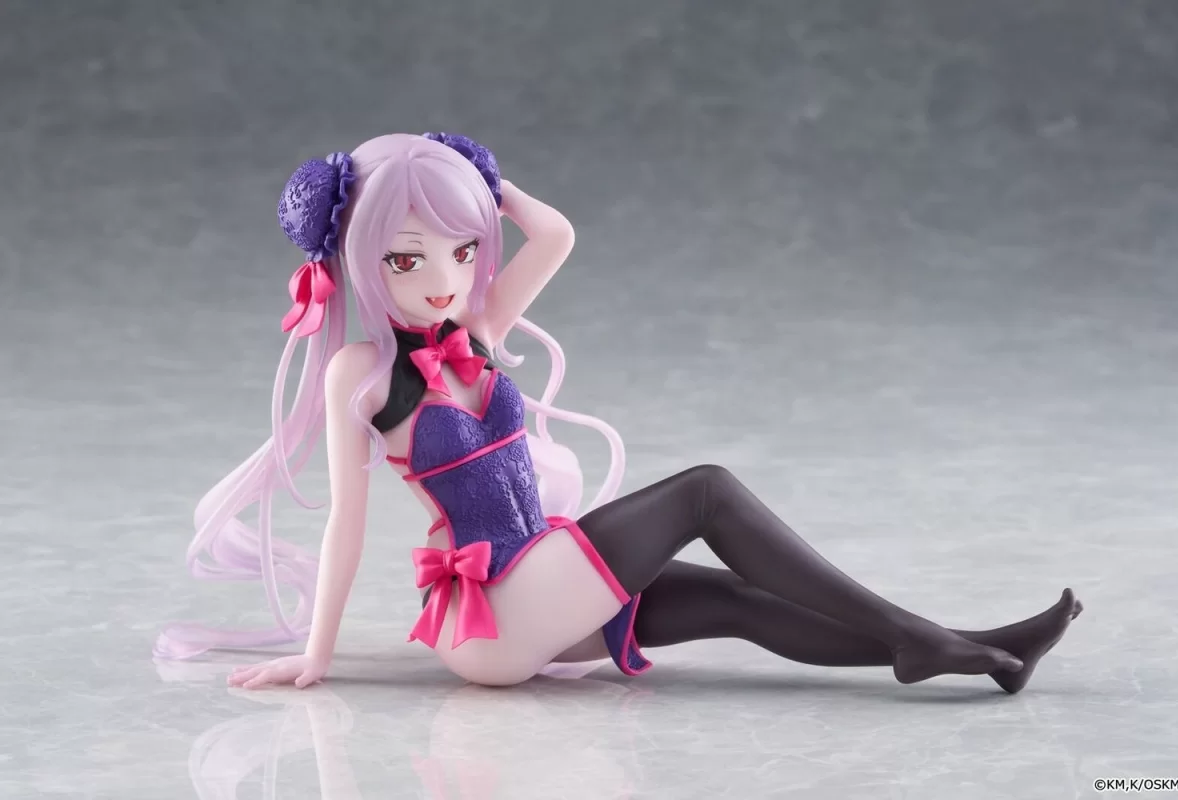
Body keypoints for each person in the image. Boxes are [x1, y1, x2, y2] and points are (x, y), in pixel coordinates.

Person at [156, 132, 1082, 692]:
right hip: (496, 619)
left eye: (461, 249)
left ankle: (971, 650)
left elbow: (556, 234)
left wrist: (478, 181)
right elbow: (345, 532)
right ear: (361, 259)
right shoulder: (361, 373)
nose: (441, 279)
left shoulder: (478, 326)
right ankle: (924, 640)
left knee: (743, 605)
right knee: (706, 492)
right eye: (406, 258)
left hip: (546, 576)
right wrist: (315, 656)